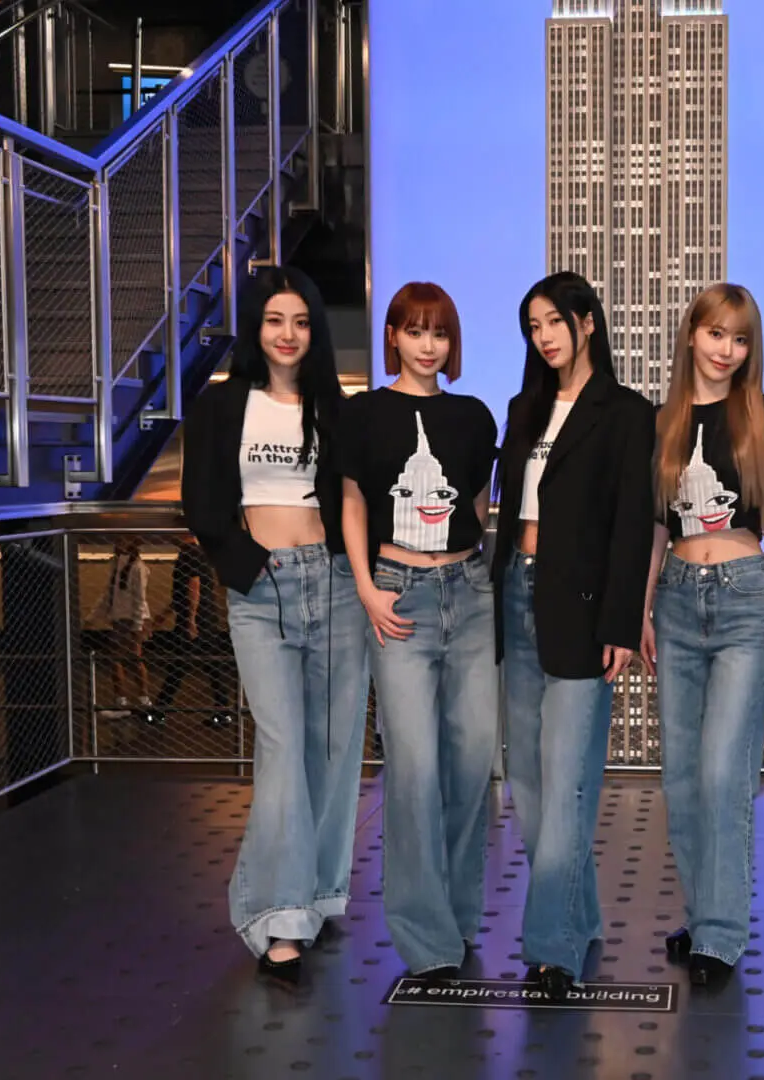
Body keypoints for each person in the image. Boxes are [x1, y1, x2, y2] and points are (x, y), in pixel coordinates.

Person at [181, 265, 369, 986]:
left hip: (334, 586)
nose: (287, 335)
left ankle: (317, 894)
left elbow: (359, 499)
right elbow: (203, 506)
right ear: (254, 329)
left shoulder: (335, 406)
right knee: (284, 748)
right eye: (273, 321)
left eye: (299, 322)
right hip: (262, 591)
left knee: (332, 745)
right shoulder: (223, 405)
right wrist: (248, 566)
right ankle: (273, 917)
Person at [492, 271, 655, 1001]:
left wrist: (622, 619)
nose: (545, 336)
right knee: (528, 784)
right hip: (516, 597)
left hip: (583, 612)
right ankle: (580, 918)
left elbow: (631, 524)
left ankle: (551, 946)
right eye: (533, 326)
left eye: (555, 320)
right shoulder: (522, 408)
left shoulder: (625, 413)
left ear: (587, 321)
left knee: (566, 785)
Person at [639, 283, 764, 986]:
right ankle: (705, 911)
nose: (726, 351)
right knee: (680, 778)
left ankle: (720, 932)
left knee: (721, 772)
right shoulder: (663, 423)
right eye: (715, 335)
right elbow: (656, 526)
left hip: (744, 598)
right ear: (690, 336)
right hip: (675, 600)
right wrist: (643, 609)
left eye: (739, 340)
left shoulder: (761, 416)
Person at [338, 282, 499, 981]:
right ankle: (423, 934)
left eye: (438, 333)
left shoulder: (473, 416)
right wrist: (368, 587)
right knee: (412, 768)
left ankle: (459, 916)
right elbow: (349, 502)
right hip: (397, 595)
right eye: (414, 331)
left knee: (470, 767)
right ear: (394, 338)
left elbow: (480, 505)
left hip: (469, 593)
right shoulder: (364, 413)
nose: (427, 345)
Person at [151, 535, 235, 729]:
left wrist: (190, 619)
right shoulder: (199, 553)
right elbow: (189, 589)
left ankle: (160, 711)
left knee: (179, 665)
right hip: (205, 618)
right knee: (211, 666)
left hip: (195, 620)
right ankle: (223, 712)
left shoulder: (189, 554)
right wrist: (166, 613)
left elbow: (193, 585)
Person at [94, 535, 150, 718]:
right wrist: (94, 615)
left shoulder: (137, 567)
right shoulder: (118, 565)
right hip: (120, 618)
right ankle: (128, 701)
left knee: (132, 659)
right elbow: (109, 593)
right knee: (124, 659)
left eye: (121, 541)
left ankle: (135, 701)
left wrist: (137, 625)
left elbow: (139, 598)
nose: (116, 544)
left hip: (130, 619)